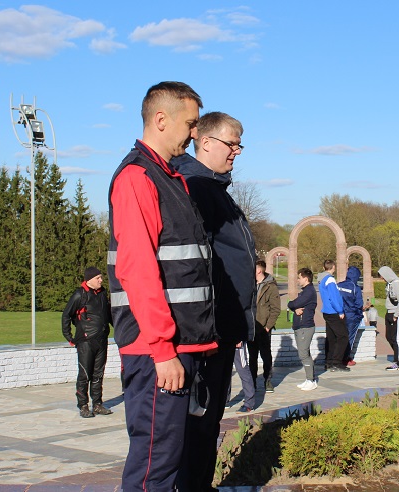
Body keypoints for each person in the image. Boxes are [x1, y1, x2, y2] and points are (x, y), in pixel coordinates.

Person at [107, 81, 219, 492]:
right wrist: (162, 350)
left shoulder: (170, 177)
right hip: (158, 350)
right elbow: (137, 270)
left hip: (178, 346)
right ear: (160, 119)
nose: (194, 134)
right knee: (154, 466)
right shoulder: (138, 177)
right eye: (190, 124)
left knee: (171, 460)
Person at [170, 111, 257, 488]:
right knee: (198, 426)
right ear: (205, 142)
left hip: (223, 328)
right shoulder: (195, 187)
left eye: (240, 145)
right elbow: (193, 265)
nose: (236, 151)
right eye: (231, 143)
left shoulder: (215, 189)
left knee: (208, 424)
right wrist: (210, 326)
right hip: (207, 332)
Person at [61, 266, 113, 418]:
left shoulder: (102, 293)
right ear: (89, 280)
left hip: (101, 340)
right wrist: (69, 337)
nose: (101, 280)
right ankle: (83, 405)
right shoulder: (79, 295)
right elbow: (66, 315)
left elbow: (108, 314)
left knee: (98, 374)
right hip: (85, 341)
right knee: (84, 374)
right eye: (98, 278)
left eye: (101, 277)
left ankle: (97, 404)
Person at [249, 259, 280, 392]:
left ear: (259, 270)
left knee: (266, 356)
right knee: (252, 357)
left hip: (263, 328)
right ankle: (252, 382)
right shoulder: (250, 284)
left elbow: (275, 309)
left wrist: (268, 326)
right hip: (252, 328)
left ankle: (267, 380)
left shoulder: (270, 286)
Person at [286, 268, 317, 390]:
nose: (298, 280)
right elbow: (294, 305)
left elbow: (292, 303)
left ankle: (311, 380)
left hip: (305, 326)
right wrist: (295, 308)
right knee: (305, 353)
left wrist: (293, 306)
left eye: (299, 278)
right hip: (300, 326)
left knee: (303, 354)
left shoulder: (309, 292)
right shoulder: (305, 292)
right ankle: (309, 379)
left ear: (305, 278)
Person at [319, 259, 349, 372]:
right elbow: (333, 298)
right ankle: (337, 362)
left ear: (324, 267)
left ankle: (329, 362)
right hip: (334, 312)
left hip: (327, 312)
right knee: (343, 337)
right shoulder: (330, 279)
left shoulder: (322, 279)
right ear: (333, 267)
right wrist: (340, 311)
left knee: (331, 338)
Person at [379, 266, 399, 371]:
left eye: (382, 276)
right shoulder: (389, 284)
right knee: (389, 337)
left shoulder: (398, 284)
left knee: (396, 338)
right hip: (389, 312)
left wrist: (396, 315)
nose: (381, 278)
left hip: (398, 314)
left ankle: (397, 362)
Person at [337, 265, 364, 366]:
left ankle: (336, 358)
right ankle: (345, 359)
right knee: (349, 338)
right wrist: (359, 314)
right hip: (352, 316)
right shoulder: (355, 287)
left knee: (339, 337)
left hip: (339, 315)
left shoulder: (339, 285)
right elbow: (359, 304)